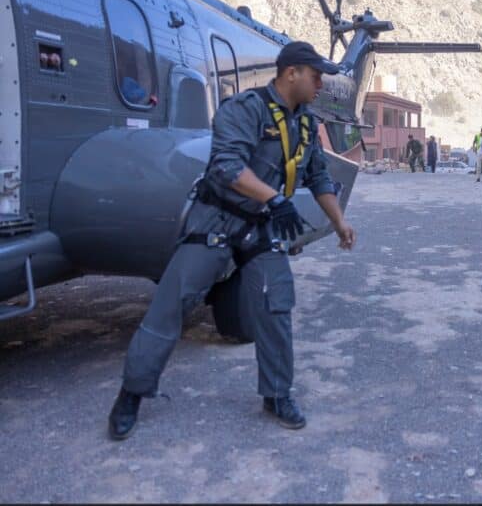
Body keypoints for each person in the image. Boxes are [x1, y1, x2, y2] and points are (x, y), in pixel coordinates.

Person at [107, 41, 357, 440]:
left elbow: (318, 177)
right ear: (291, 72)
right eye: (315, 76)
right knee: (172, 302)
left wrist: (340, 222)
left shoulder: (306, 123)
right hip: (218, 218)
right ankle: (132, 393)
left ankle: (277, 394)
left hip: (261, 226)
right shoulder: (245, 109)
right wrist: (275, 198)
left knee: (276, 304)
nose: (319, 85)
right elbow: (226, 167)